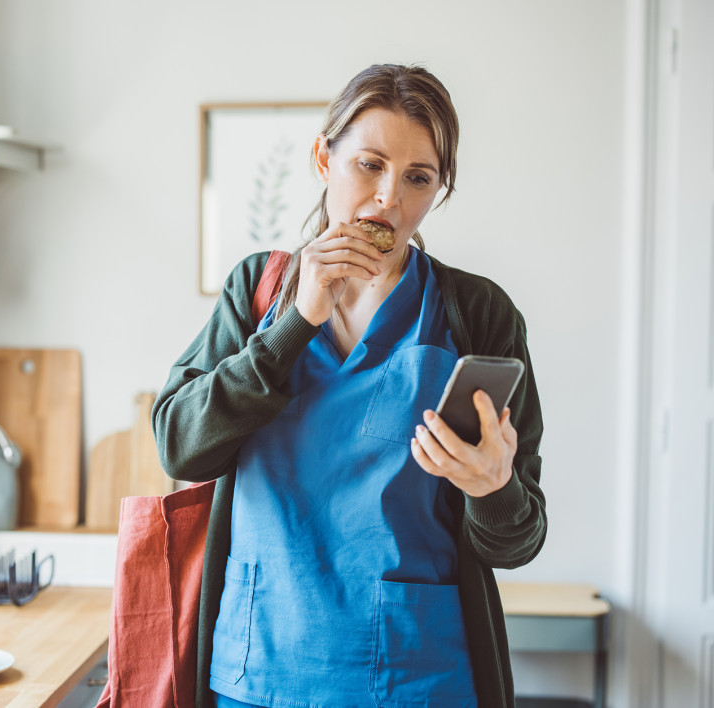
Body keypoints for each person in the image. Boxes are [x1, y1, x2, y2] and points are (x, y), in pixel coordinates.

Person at [152, 64, 546, 708]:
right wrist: (294, 325)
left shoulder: (479, 315)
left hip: (420, 678)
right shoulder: (257, 293)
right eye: (369, 164)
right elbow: (180, 448)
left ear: (437, 190)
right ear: (323, 159)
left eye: (418, 178)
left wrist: (493, 487)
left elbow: (519, 540)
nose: (389, 198)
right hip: (260, 673)